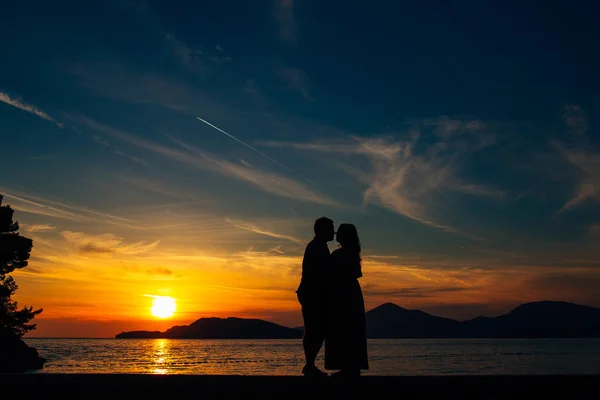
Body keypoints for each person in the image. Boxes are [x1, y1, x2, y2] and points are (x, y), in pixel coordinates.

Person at [325, 223, 369, 378]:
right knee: (349, 330)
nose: (336, 234)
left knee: (344, 329)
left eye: (339, 232)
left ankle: (348, 368)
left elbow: (332, 273)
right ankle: (350, 368)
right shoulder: (352, 253)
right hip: (350, 293)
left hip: (343, 295)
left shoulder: (341, 254)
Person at [296, 216, 335, 378]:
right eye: (331, 229)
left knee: (314, 329)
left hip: (311, 293)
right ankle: (310, 365)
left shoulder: (318, 246)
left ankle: (310, 364)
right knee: (315, 329)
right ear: (323, 230)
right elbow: (323, 273)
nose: (333, 232)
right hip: (312, 294)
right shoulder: (317, 247)